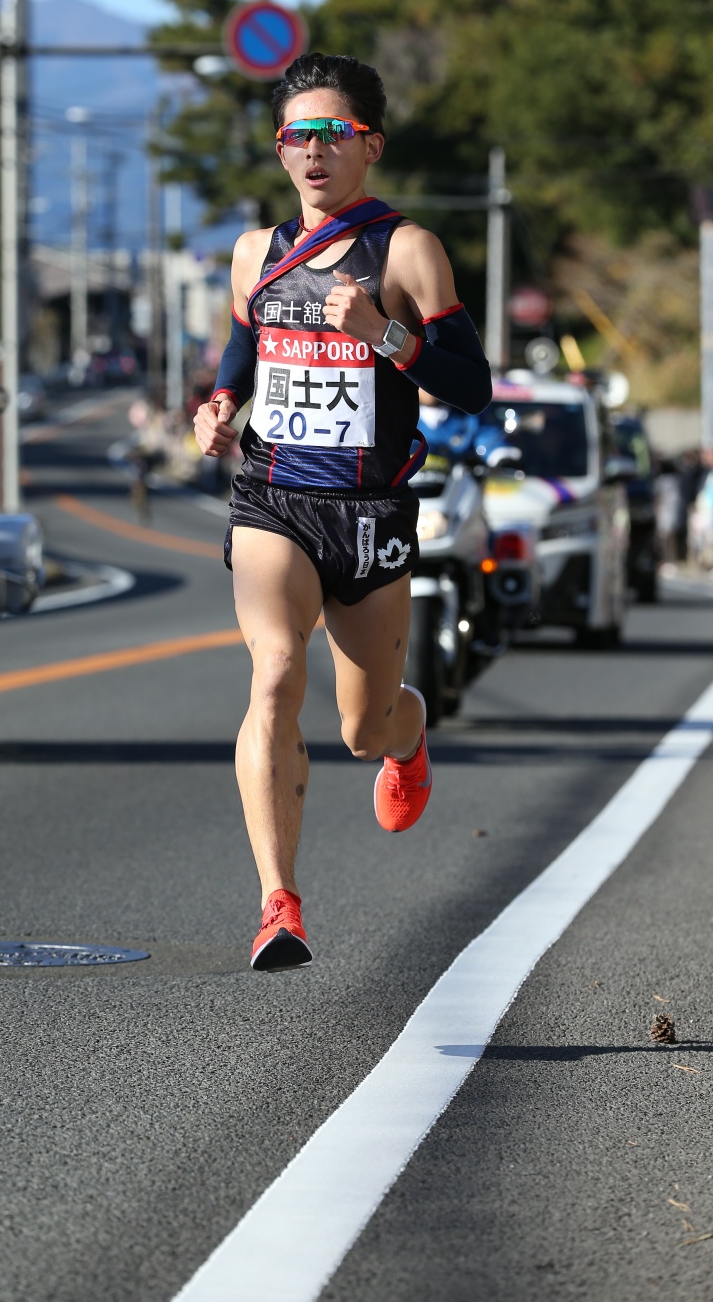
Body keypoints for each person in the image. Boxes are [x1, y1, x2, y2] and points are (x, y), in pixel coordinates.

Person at [192, 52, 492, 971]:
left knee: (365, 728)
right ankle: (278, 903)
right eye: (296, 136)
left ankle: (410, 738)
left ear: (370, 145)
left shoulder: (408, 250)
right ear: (281, 151)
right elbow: (242, 355)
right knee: (276, 672)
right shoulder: (256, 252)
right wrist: (218, 407)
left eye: (333, 134)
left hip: (371, 513)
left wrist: (385, 337)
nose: (313, 152)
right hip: (275, 498)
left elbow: (472, 387)